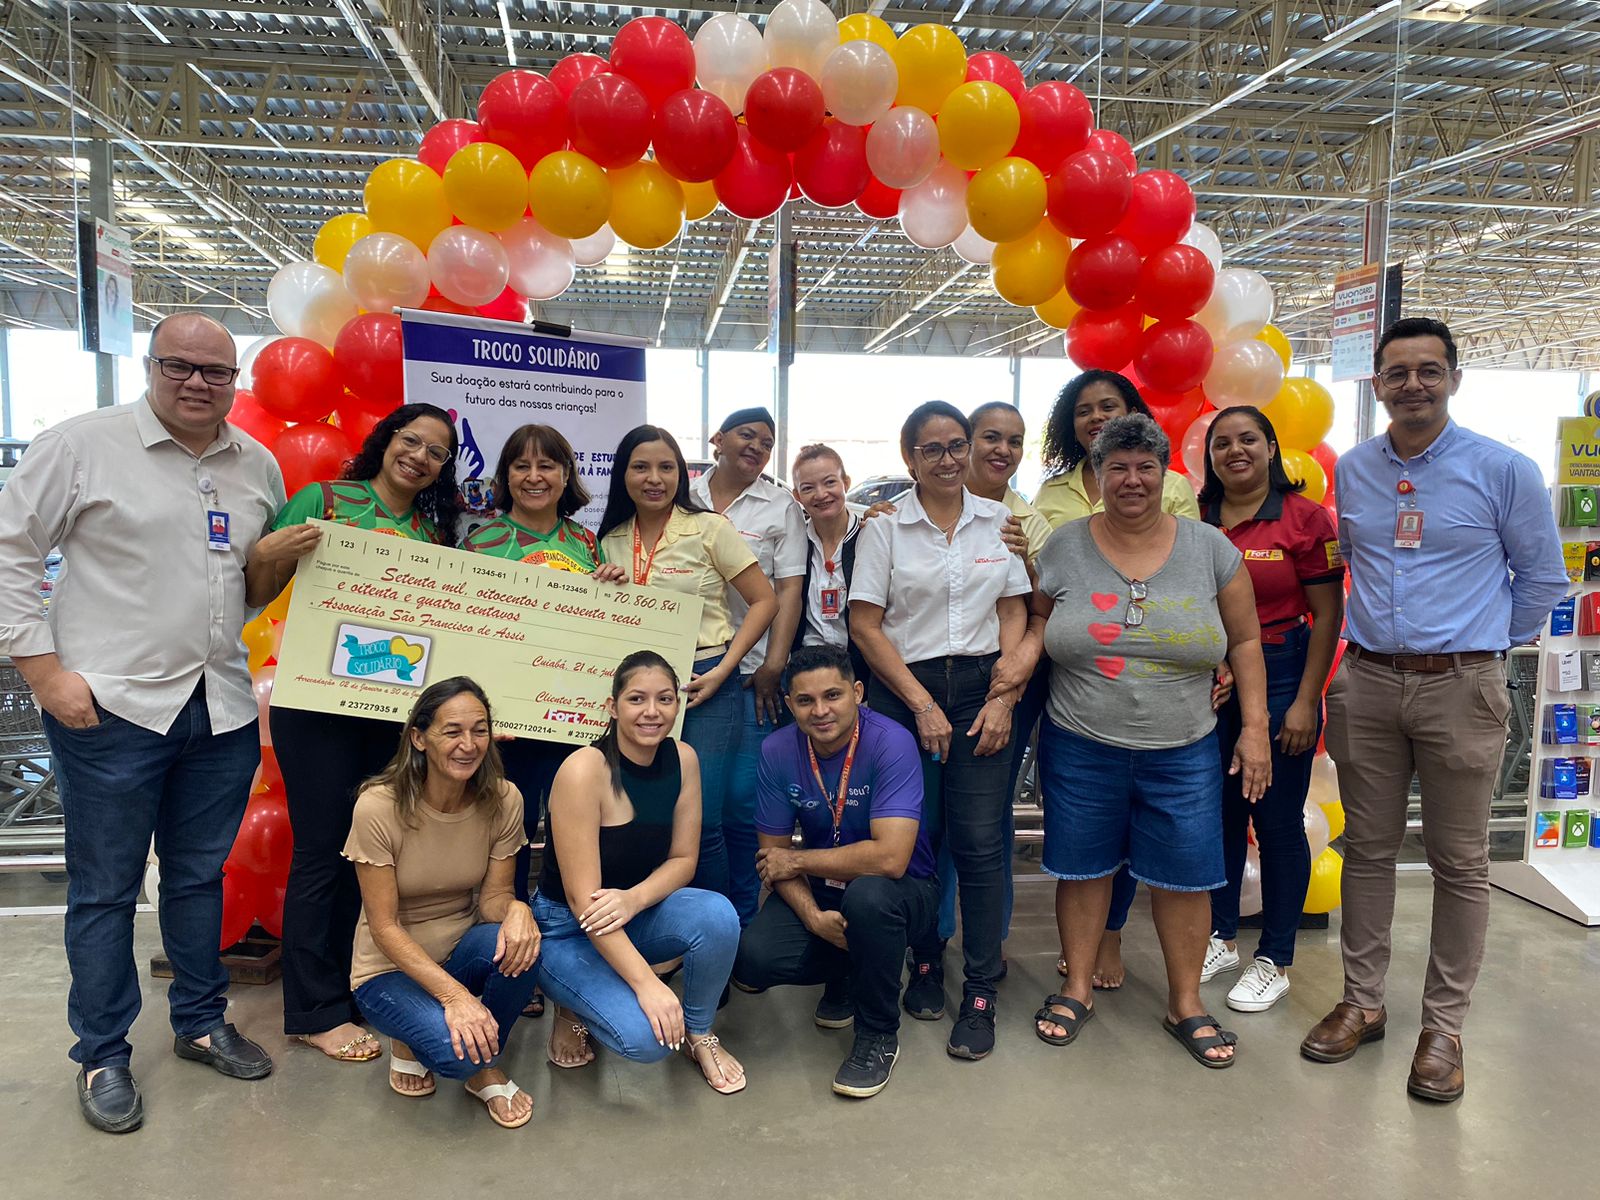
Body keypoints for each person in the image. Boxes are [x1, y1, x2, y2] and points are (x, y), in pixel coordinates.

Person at [0, 313, 281, 1133]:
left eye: (216, 371)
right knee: (106, 890)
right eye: (179, 365)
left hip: (220, 709)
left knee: (197, 879)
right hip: (110, 711)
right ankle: (102, 1054)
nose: (197, 382)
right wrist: (43, 672)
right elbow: (11, 551)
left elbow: (250, 582)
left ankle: (199, 1020)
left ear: (235, 382)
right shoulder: (81, 446)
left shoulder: (255, 465)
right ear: (150, 366)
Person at [1299, 317, 1567, 1102]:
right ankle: (1362, 1002)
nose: (1412, 384)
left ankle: (1443, 1028)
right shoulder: (1356, 470)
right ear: (1377, 383)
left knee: (1460, 861)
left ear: (1453, 378)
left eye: (1428, 370)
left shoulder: (1503, 469)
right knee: (1368, 850)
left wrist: (1481, 648)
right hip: (1369, 682)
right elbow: (1355, 562)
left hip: (1462, 686)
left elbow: (1542, 579)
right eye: (1397, 372)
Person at [1012, 412, 1271, 1067]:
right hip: (1080, 740)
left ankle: (1186, 1003)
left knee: (1186, 877)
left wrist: (1255, 730)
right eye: (1117, 467)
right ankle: (1076, 987)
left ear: (1164, 475)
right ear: (1098, 475)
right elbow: (1040, 618)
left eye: (1145, 467)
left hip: (1185, 746)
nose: (1131, 480)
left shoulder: (1210, 548)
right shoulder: (1064, 546)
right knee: (1082, 868)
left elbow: (1245, 640)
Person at [250, 402, 461, 1064]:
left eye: (436, 452)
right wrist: (269, 551)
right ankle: (313, 1011)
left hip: (393, 715)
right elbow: (258, 586)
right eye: (411, 440)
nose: (420, 457)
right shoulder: (324, 500)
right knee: (321, 850)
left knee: (369, 854)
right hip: (315, 706)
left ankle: (355, 985)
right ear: (386, 440)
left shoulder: (432, 533)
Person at [849, 400, 1032, 1061]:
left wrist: (1005, 695)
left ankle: (980, 990)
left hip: (982, 691)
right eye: (934, 449)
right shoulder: (886, 528)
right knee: (916, 843)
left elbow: (1013, 610)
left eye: (958, 445)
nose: (950, 459)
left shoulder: (998, 523)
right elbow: (865, 625)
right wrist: (921, 703)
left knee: (980, 843)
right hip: (905, 696)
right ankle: (925, 961)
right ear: (910, 458)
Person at [1033, 371, 1203, 989]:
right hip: (1075, 679)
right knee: (1087, 829)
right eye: (1084, 409)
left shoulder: (1176, 490)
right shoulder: (1050, 493)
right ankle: (1089, 952)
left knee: (1154, 833)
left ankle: (1113, 934)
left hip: (1164, 691)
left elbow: (1197, 580)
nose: (1096, 416)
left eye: (1109, 405)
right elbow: (1039, 585)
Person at [463, 423, 625, 1017]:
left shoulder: (586, 544)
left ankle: (565, 957)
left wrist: (615, 589)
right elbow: (464, 632)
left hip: (570, 727)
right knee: (503, 842)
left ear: (566, 476)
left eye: (548, 465)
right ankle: (509, 958)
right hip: (506, 728)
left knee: (568, 842)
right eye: (522, 465)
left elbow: (605, 632)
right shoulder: (480, 543)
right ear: (505, 476)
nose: (535, 477)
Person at [532, 651, 747, 1094]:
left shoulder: (683, 758)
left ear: (677, 705)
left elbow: (684, 860)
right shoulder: (583, 769)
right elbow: (583, 902)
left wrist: (634, 899)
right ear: (612, 707)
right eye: (636, 699)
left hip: (632, 911)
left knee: (718, 915)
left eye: (665, 699)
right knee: (649, 1039)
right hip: (569, 927)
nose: (652, 711)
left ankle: (700, 1032)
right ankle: (572, 1008)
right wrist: (648, 984)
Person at [731, 645, 939, 1099]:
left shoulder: (891, 741)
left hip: (902, 890)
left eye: (833, 695)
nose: (821, 711)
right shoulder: (777, 750)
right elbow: (772, 856)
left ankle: (878, 1034)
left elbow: (891, 859)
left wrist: (799, 860)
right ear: (790, 704)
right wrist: (812, 919)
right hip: (824, 890)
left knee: (868, 900)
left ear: (857, 693)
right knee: (752, 958)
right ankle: (846, 971)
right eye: (805, 701)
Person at [1198, 407, 1345, 1012]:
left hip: (1285, 672)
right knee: (1221, 815)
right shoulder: (1197, 516)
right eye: (1222, 443)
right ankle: (1221, 936)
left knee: (1278, 820)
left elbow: (1328, 615)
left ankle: (1275, 957)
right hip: (1211, 678)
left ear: (1271, 448)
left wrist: (1307, 701)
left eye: (1248, 440)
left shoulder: (1306, 519)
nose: (1235, 451)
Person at [346, 678, 541, 1129]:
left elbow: (493, 899)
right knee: (458, 1056)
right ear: (419, 738)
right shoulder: (378, 806)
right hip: (386, 970)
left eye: (479, 730)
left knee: (526, 946)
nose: (468, 745)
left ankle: (483, 1062)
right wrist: (455, 997)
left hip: (459, 951)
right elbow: (384, 927)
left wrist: (518, 910)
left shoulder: (504, 798)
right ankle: (453, 1053)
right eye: (452, 731)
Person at [597, 425, 777, 911]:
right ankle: (666, 922)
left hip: (704, 679)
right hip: (640, 690)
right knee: (648, 816)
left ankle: (727, 925)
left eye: (666, 467)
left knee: (705, 820)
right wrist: (602, 584)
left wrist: (725, 670)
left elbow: (765, 601)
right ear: (623, 475)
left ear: (682, 474)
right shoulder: (610, 539)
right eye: (641, 467)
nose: (654, 478)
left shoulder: (709, 529)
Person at [690, 408, 807, 925]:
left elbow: (789, 590)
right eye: (747, 435)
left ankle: (740, 915)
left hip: (753, 675)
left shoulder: (781, 507)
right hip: (691, 673)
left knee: (741, 803)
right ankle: (698, 912)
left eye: (767, 442)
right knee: (696, 804)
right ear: (717, 440)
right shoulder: (684, 497)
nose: (757, 446)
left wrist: (775, 663)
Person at [789, 443, 869, 684]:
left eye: (830, 482)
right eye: (808, 488)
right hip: (806, 674)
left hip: (865, 671)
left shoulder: (870, 536)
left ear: (846, 482)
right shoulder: (792, 543)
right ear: (797, 496)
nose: (821, 494)